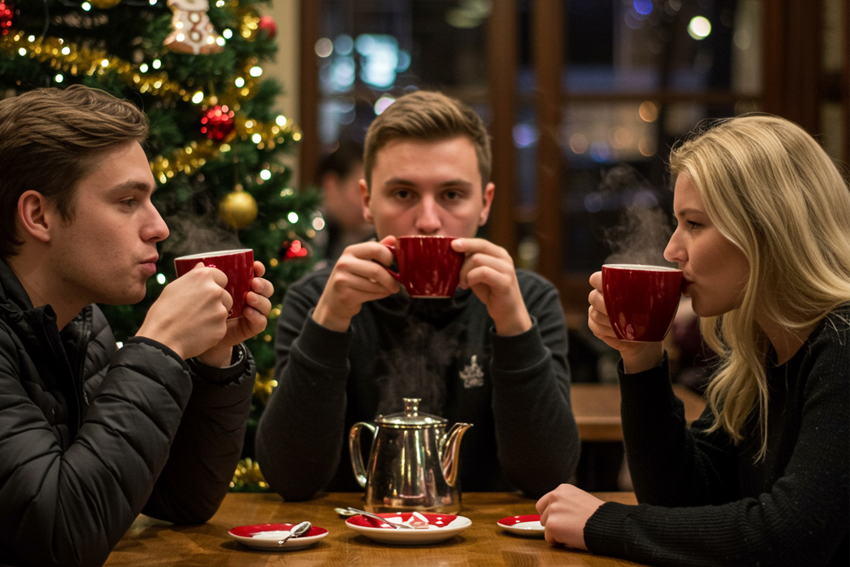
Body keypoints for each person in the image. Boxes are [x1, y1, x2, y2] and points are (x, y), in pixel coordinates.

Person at [536, 114, 850, 566]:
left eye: (694, 224)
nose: (671, 250)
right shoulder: (759, 354)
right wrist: (642, 356)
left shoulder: (842, 344)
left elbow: (790, 537)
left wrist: (604, 522)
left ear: (767, 231)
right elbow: (681, 499)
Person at [256, 90, 579, 500]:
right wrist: (330, 322)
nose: (428, 222)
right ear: (368, 201)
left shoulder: (527, 300)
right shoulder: (318, 300)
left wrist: (513, 325)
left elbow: (547, 477)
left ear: (485, 204)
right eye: (404, 194)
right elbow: (290, 479)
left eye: (452, 195)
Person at [0, 85, 274, 567]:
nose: (159, 227)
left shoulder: (84, 325)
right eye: (128, 201)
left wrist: (213, 360)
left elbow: (178, 500)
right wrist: (160, 345)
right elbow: (58, 539)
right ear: (38, 215)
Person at [313, 140, 375, 264]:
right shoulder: (302, 235)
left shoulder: (365, 234)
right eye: (360, 191)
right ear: (330, 184)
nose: (369, 204)